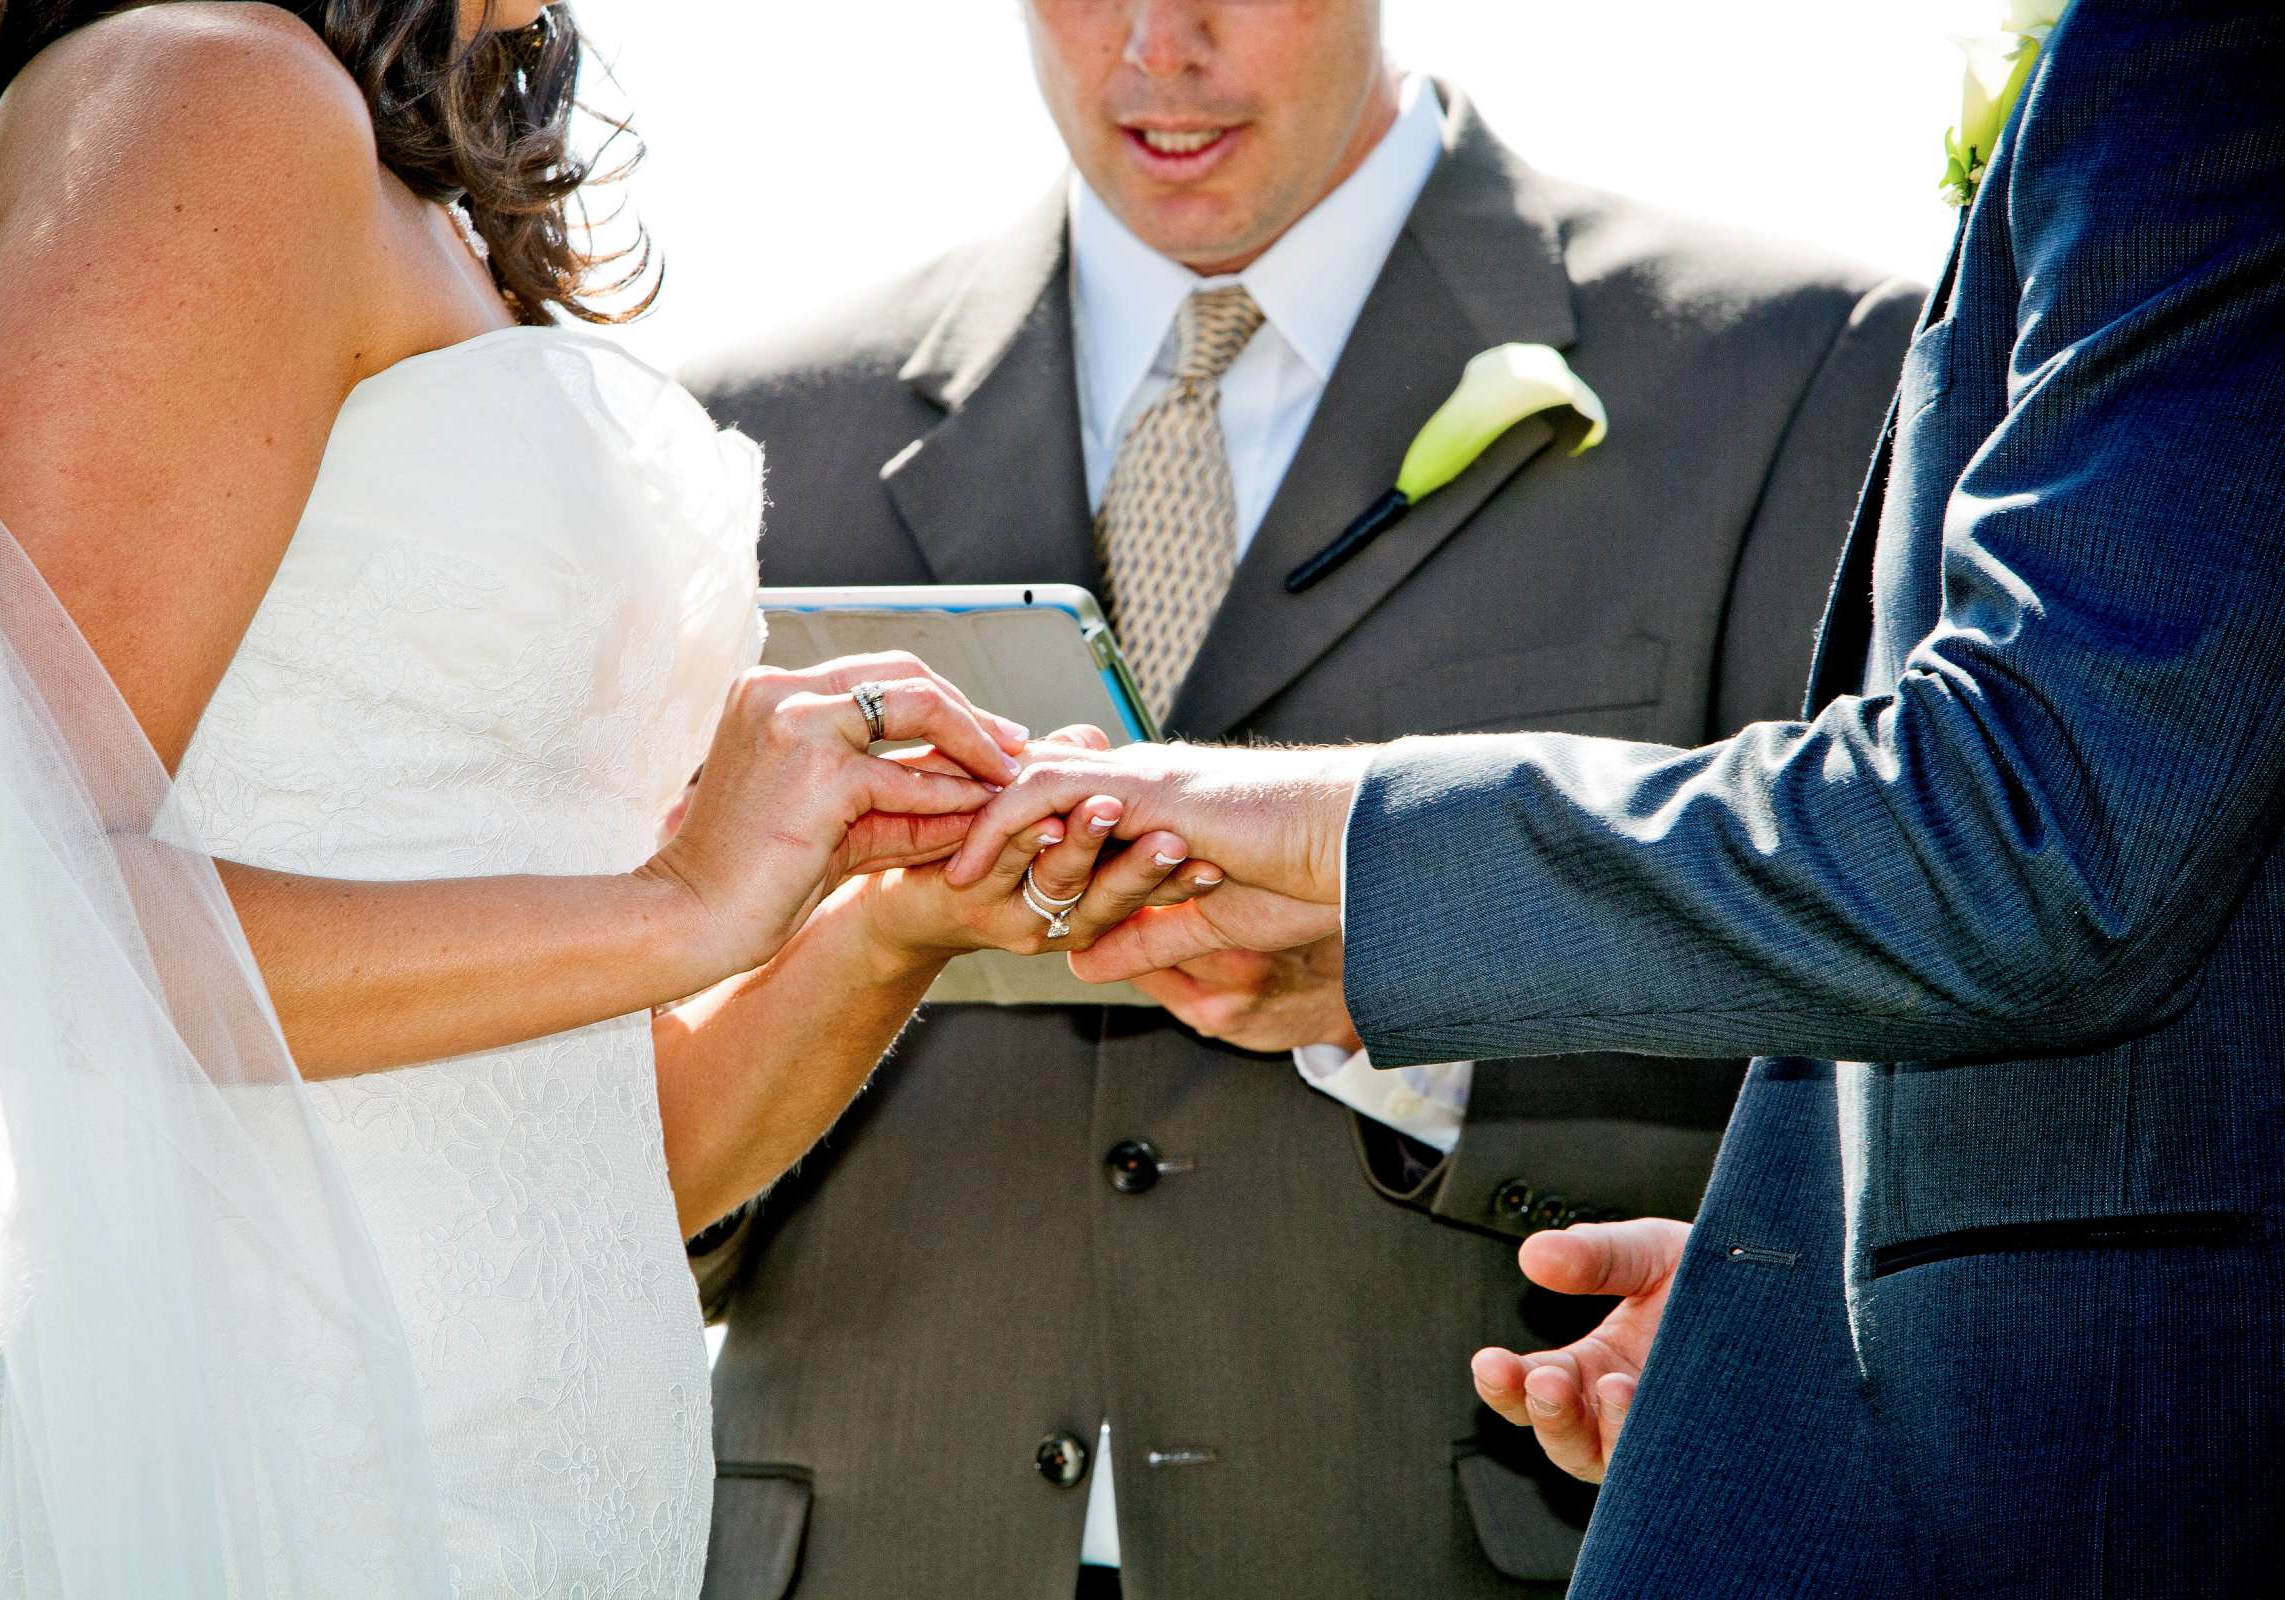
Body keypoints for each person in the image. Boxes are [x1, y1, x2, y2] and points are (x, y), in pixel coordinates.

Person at [949, 1, 2285, 1593]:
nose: (1160, 39)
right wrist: (1775, 1295)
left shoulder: (2170, 87)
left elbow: (2043, 828)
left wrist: (1347, 833)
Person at [0, 2, 1220, 1594]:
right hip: (281, 1485)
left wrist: (875, 929)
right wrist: (672, 908)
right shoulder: (207, 92)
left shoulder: (419, 186)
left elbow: (592, 1157)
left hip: (547, 1494)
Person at [682, 1, 1915, 1593]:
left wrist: (1404, 1013)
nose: (1151, 47)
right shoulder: (745, 438)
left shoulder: (1805, 369)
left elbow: (1883, 1009)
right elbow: (604, 1142)